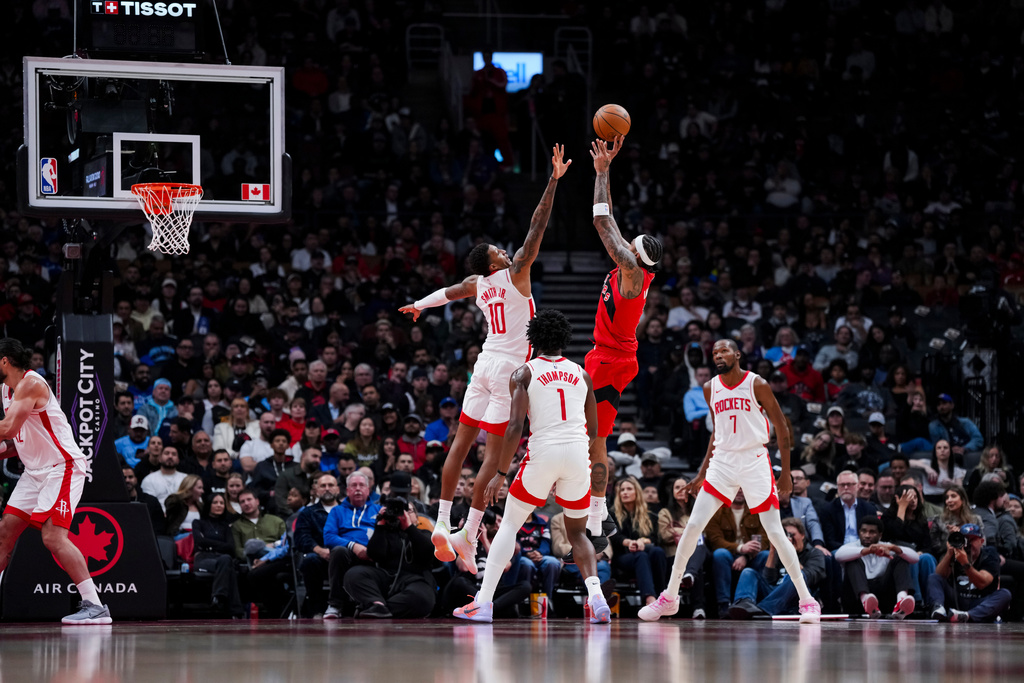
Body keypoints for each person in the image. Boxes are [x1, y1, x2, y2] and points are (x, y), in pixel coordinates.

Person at [400, 144, 571, 569]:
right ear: (496, 260)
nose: (505, 249)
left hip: (484, 363)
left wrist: (419, 304)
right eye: (499, 248)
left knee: (459, 445)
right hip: (511, 371)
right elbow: (537, 226)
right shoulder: (515, 274)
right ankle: (470, 534)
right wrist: (552, 180)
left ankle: (442, 521)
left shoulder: (478, 283)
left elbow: (449, 293)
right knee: (494, 460)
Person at [639, 339, 821, 624]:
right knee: (693, 526)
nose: (718, 355)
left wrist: (785, 473)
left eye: (724, 350)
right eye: (714, 353)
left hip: (754, 459)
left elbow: (782, 427)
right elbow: (716, 433)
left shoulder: (756, 383)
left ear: (737, 354)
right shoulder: (710, 387)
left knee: (774, 530)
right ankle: (669, 597)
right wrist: (701, 473)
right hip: (723, 461)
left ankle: (807, 600)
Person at [454, 309, 611, 623]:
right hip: (579, 453)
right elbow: (594, 430)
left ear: (533, 339)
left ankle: (483, 602)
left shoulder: (523, 373)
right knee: (578, 533)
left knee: (510, 524)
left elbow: (514, 428)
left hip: (544, 450)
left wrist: (500, 473)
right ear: (564, 339)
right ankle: (596, 597)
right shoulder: (582, 374)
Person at [583, 136, 665, 555]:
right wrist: (605, 170)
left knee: (592, 443)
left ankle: (599, 516)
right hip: (607, 356)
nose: (625, 242)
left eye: (630, 243)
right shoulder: (632, 265)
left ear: (635, 255)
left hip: (611, 360)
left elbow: (602, 223)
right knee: (589, 442)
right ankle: (599, 515)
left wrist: (600, 172)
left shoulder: (631, 273)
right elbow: (608, 218)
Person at [0, 338, 111, 624]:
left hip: (61, 467)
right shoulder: (5, 389)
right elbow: (17, 440)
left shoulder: (30, 383)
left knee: (52, 537)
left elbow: (8, 427)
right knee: (5, 533)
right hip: (33, 471)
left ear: (4, 361)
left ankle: (95, 605)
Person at [344, 496, 437, 619]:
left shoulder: (424, 533)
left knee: (422, 598)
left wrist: (409, 528)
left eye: (407, 511)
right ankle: (377, 604)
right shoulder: (384, 531)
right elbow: (374, 555)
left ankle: (378, 608)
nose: (401, 514)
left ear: (416, 515)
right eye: (396, 511)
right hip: (386, 576)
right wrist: (380, 525)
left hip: (416, 579)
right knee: (354, 574)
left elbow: (428, 552)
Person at [728, 518, 828, 618]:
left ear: (802, 535)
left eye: (792, 534)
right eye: (785, 536)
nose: (789, 539)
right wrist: (772, 551)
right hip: (774, 593)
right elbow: (768, 579)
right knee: (748, 572)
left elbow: (810, 578)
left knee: (795, 577)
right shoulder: (780, 552)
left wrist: (790, 553)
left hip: (796, 595)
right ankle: (744, 604)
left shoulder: (815, 553)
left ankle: (762, 609)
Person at [322, 471, 381, 619]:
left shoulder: (379, 511)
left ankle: (377, 604)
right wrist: (354, 546)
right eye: (353, 486)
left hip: (373, 555)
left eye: (362, 485)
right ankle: (335, 605)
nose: (358, 489)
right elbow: (328, 537)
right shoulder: (337, 511)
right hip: (347, 555)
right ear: (347, 490)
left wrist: (373, 550)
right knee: (339, 551)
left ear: (368, 490)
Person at [836, 516, 919, 618]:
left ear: (880, 535)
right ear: (859, 532)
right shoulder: (852, 546)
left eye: (872, 532)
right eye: (864, 531)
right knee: (852, 561)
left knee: (900, 558)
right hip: (857, 598)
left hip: (883, 596)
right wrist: (868, 550)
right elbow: (838, 555)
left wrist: (894, 548)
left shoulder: (886, 546)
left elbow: (915, 558)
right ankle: (866, 601)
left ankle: (901, 603)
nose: (867, 535)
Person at [928, 523, 1012, 622]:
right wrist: (949, 553)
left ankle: (967, 616)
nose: (968, 544)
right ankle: (939, 610)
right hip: (957, 599)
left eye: (972, 540)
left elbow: (982, 583)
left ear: (981, 541)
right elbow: (940, 575)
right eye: (965, 539)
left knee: (1005, 594)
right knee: (933, 578)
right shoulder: (956, 552)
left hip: (980, 601)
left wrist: (965, 563)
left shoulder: (990, 554)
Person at [657, 476, 707, 618]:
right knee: (697, 560)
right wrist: (690, 531)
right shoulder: (665, 513)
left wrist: (680, 531)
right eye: (677, 487)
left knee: (700, 545)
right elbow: (665, 534)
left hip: (698, 552)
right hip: (674, 554)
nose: (680, 490)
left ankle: (690, 574)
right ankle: (698, 607)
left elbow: (706, 532)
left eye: (684, 487)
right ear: (672, 492)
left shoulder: (697, 511)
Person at [295, 473, 340, 617]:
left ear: (337, 489)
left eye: (330, 485)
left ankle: (347, 608)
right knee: (309, 561)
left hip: (343, 556)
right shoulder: (307, 513)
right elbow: (301, 537)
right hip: (320, 558)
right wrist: (320, 551)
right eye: (323, 486)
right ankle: (317, 610)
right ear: (316, 490)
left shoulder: (347, 511)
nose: (327, 489)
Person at [192, 492, 244, 618]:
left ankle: (218, 597)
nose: (219, 505)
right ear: (209, 505)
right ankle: (235, 611)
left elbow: (231, 547)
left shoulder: (225, 526)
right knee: (228, 564)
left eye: (222, 503)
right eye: (215, 502)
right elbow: (199, 542)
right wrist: (220, 544)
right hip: (204, 558)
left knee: (226, 560)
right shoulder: (198, 523)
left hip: (221, 559)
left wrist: (208, 543)